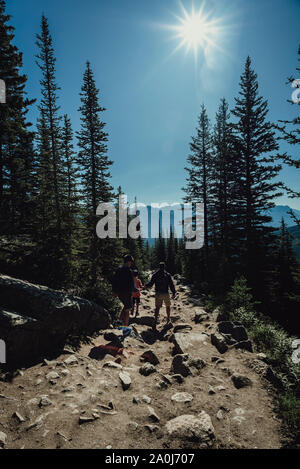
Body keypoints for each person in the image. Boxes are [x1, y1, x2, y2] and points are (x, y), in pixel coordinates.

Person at [145, 262, 176, 330]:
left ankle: (155, 320)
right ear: (164, 267)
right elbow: (171, 284)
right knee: (168, 306)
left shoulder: (155, 274)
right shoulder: (167, 274)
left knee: (157, 308)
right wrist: (173, 292)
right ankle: (168, 319)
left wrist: (145, 285)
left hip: (158, 293)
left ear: (159, 267)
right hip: (165, 293)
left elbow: (151, 283)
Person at [112, 254, 137, 326]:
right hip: (127, 293)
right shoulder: (129, 271)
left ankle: (119, 321)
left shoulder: (118, 269)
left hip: (119, 292)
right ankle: (126, 326)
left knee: (124, 307)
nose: (131, 263)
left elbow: (114, 281)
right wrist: (135, 290)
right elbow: (131, 284)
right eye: (130, 262)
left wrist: (114, 291)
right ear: (128, 262)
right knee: (127, 310)